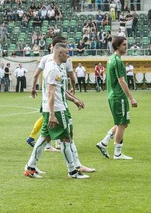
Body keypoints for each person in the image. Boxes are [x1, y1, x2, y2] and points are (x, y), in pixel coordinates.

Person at [24, 43, 91, 179]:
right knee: (66, 138)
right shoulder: (53, 68)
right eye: (67, 53)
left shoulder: (56, 67)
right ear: (59, 53)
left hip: (54, 108)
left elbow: (59, 89)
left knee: (44, 138)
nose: (68, 56)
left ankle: (30, 167)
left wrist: (74, 100)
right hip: (58, 110)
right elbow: (51, 92)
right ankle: (72, 171)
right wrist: (53, 114)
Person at [27, 36, 77, 147]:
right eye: (64, 45)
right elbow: (72, 78)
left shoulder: (46, 59)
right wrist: (73, 88)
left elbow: (36, 75)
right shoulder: (61, 62)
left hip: (48, 96)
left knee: (47, 119)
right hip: (55, 97)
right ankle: (62, 146)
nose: (66, 48)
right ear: (58, 49)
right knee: (55, 121)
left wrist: (33, 88)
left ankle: (38, 144)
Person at [96, 36, 138, 160]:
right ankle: (117, 153)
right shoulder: (118, 61)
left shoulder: (111, 59)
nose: (126, 47)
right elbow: (122, 81)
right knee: (122, 124)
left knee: (122, 123)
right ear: (117, 46)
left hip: (113, 95)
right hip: (119, 96)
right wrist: (131, 98)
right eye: (124, 44)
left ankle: (104, 143)